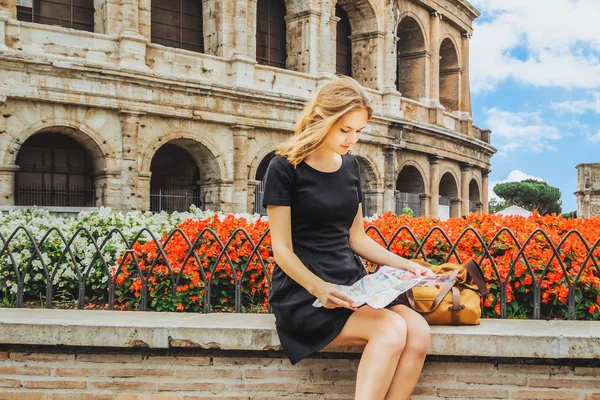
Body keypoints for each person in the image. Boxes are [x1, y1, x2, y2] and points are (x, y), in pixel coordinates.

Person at [262, 77, 434, 400]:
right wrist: (320, 288)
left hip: (351, 286)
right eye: (345, 130)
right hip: (305, 294)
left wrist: (409, 266)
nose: (352, 139)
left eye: (358, 131)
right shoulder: (283, 168)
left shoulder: (351, 167)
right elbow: (281, 250)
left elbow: (357, 238)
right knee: (392, 330)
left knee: (419, 333)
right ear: (322, 118)